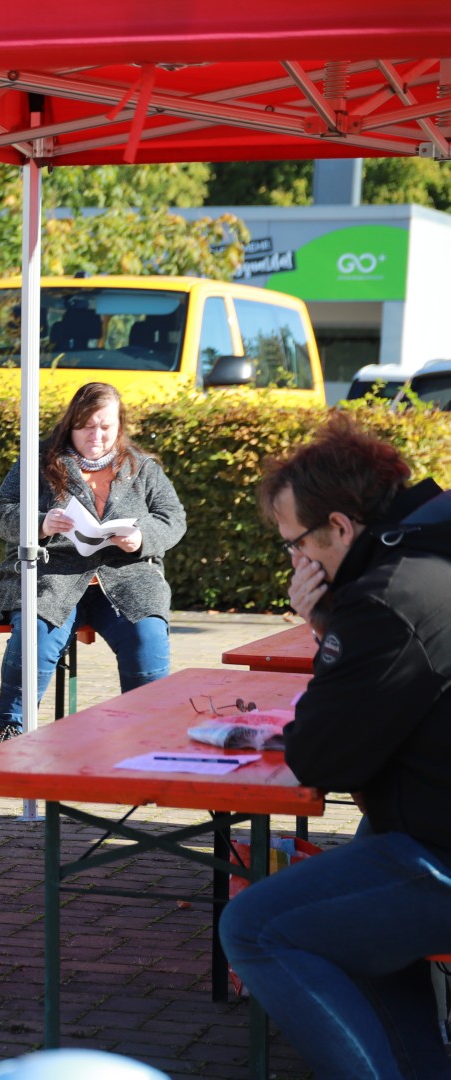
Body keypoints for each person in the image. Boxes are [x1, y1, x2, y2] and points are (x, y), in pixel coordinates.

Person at [220, 416, 451, 1077]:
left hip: (440, 854)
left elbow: (321, 758)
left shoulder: (388, 597)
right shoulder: (433, 548)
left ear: (342, 529)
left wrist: (326, 622)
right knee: (358, 892)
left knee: (256, 928)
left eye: (296, 545)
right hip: (429, 825)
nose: (297, 563)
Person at [0, 381, 187, 744]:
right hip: (52, 574)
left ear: (120, 427)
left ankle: (150, 729)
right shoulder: (39, 461)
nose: (96, 435)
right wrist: (41, 523)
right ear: (71, 425)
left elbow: (173, 518)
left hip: (126, 579)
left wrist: (141, 538)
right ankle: (10, 725)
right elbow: (1, 512)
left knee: (148, 636)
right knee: (36, 636)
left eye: (106, 427)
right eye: (87, 425)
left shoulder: (143, 468)